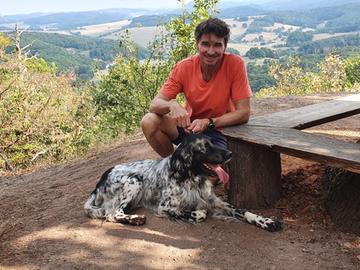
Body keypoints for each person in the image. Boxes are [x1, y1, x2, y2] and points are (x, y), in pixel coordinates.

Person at [141, 18, 252, 176]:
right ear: (197, 44)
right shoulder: (184, 67)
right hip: (190, 128)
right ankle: (177, 169)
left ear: (225, 46)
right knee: (149, 121)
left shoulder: (235, 64)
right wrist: (172, 105)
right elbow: (154, 105)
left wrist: (209, 122)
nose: (211, 51)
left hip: (219, 130)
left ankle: (210, 170)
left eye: (217, 45)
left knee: (209, 180)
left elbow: (244, 113)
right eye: (205, 44)